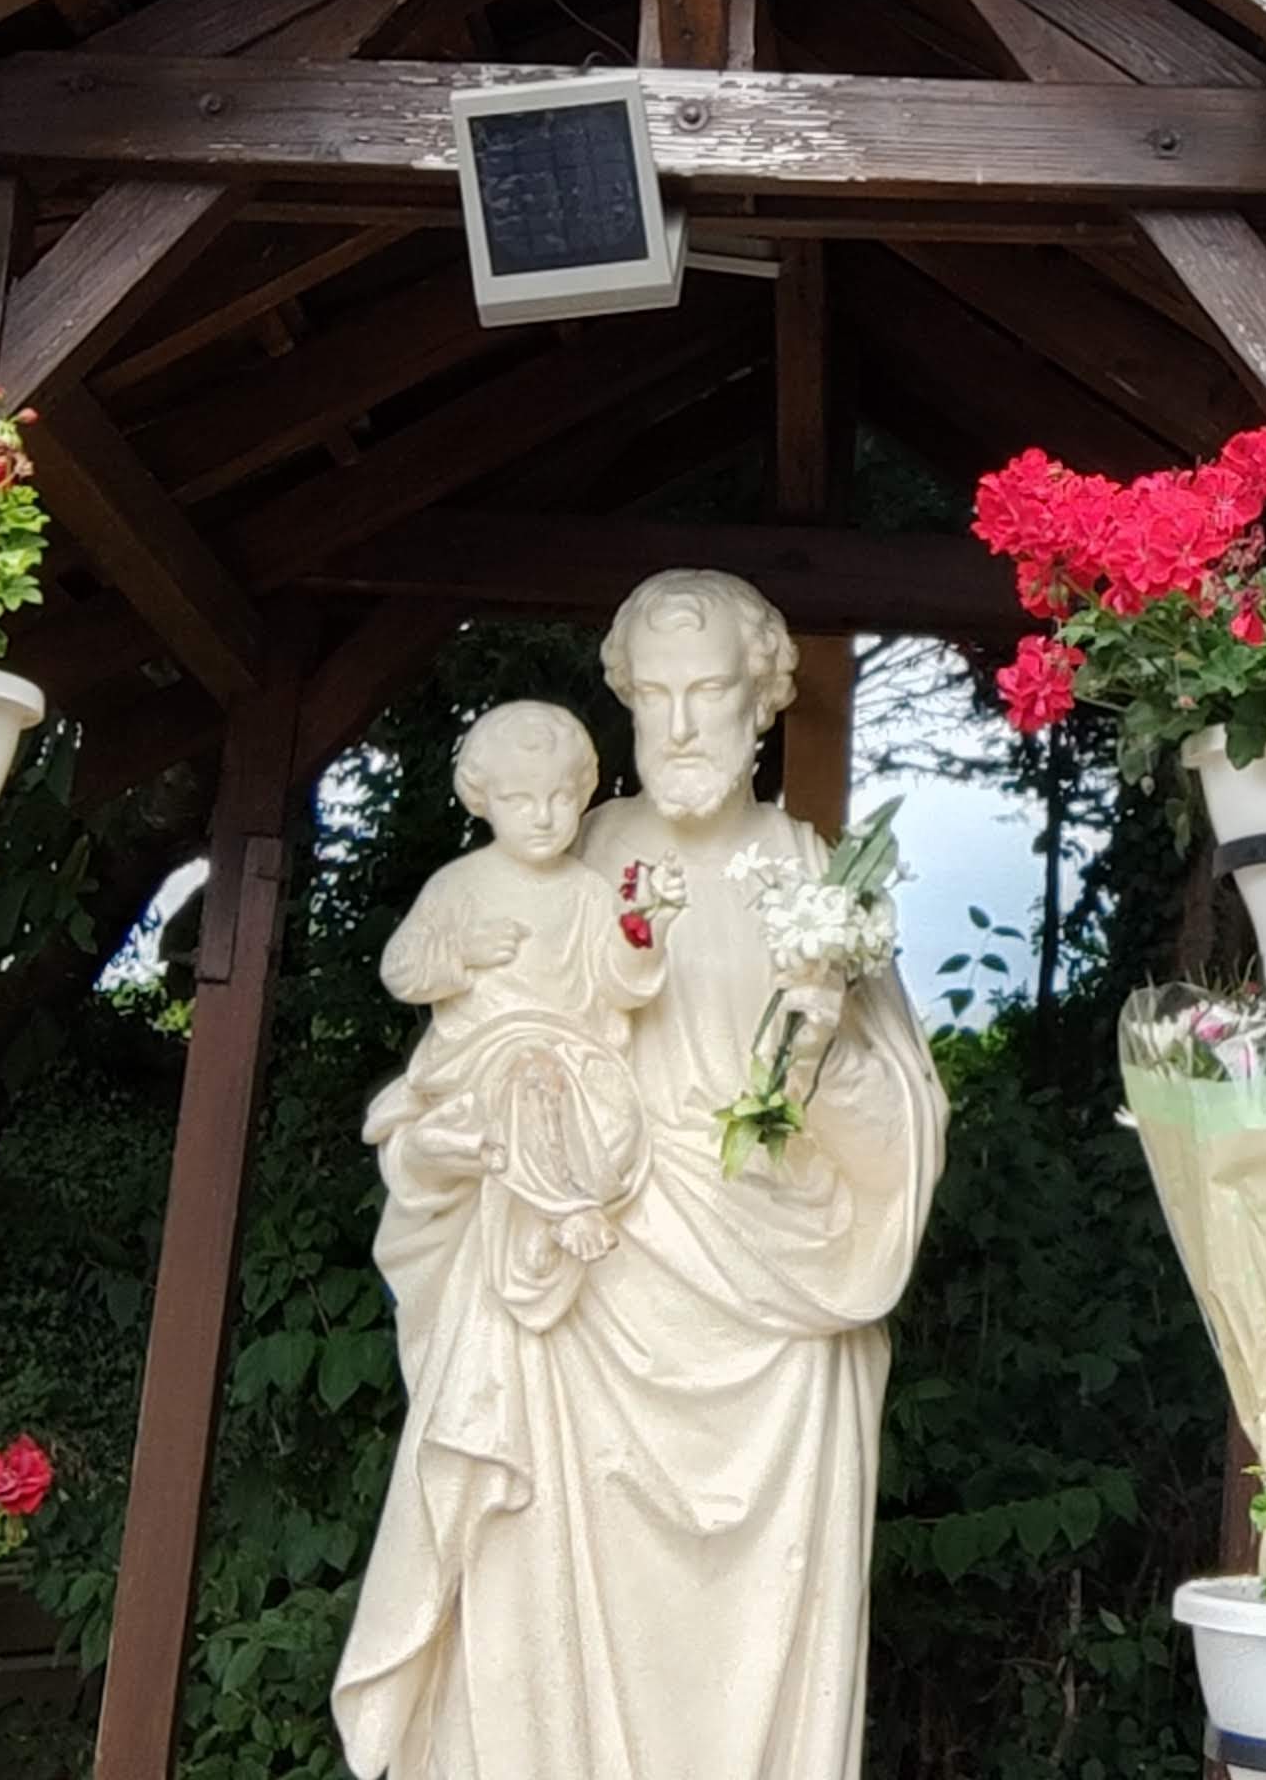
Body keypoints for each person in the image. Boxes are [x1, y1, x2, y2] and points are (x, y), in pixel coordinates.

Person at [332, 571, 946, 1780]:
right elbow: (461, 1070)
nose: (676, 725)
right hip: (580, 1301)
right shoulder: (566, 858)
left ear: (762, 703)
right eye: (651, 696)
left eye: (706, 691)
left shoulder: (817, 885)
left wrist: (817, 1048)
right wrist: (445, 1150)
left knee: (748, 1663)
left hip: (772, 1319)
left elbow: (899, 1145)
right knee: (533, 1623)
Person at [366, 699, 667, 1322]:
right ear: (484, 800)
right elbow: (401, 970)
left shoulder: (587, 892)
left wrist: (644, 930)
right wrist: (460, 952)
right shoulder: (460, 885)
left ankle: (537, 1230)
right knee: (528, 1072)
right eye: (519, 800)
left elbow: (619, 987)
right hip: (481, 1057)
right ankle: (563, 1207)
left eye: (560, 798)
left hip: (577, 1059)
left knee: (590, 1103)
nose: (543, 816)